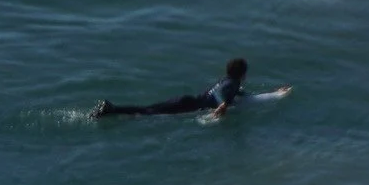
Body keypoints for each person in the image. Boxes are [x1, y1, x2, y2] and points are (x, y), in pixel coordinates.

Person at [92, 58, 251, 120]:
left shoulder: (225, 80)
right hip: (190, 106)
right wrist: (222, 110)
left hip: (187, 99)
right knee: (148, 113)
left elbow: (227, 91)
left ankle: (111, 109)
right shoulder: (233, 84)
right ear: (242, 74)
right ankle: (111, 110)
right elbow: (226, 99)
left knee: (148, 109)